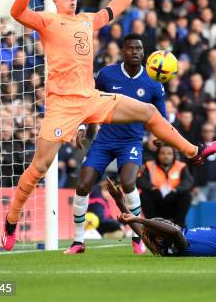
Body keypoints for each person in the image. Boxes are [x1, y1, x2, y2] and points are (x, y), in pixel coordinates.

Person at [2, 0, 216, 251]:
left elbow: (113, 10)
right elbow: (16, 12)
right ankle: (11, 220)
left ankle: (194, 152)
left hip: (91, 98)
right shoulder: (47, 20)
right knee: (39, 167)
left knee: (148, 111)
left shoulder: (86, 20)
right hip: (62, 106)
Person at [64, 34, 166, 255]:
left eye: (139, 49)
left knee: (128, 183)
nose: (135, 52)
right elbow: (90, 101)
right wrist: (83, 127)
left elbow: (162, 118)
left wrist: (158, 136)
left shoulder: (153, 83)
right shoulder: (107, 75)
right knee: (83, 185)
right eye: (131, 49)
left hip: (130, 142)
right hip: (105, 140)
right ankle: (78, 241)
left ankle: (138, 237)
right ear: (123, 51)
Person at [138, 144, 193, 228]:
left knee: (187, 196)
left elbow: (188, 182)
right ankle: (152, 225)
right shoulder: (149, 165)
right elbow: (141, 181)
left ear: (173, 155)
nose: (166, 156)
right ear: (157, 154)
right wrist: (152, 188)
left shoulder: (181, 166)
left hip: (173, 200)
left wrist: (176, 190)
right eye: (162, 153)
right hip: (156, 200)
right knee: (144, 195)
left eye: (169, 153)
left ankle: (179, 226)